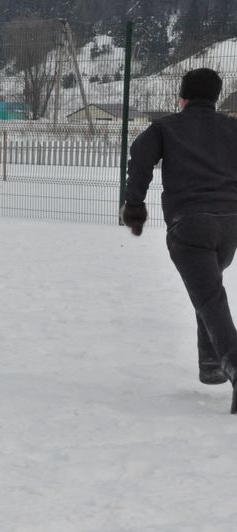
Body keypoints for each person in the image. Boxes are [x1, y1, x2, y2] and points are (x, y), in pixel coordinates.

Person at [121, 67, 237, 414]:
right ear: (215, 98)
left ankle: (231, 361)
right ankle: (211, 366)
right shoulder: (233, 127)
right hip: (231, 223)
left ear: (182, 98)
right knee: (208, 289)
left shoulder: (166, 127)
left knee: (208, 294)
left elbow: (140, 160)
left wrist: (135, 208)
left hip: (190, 224)